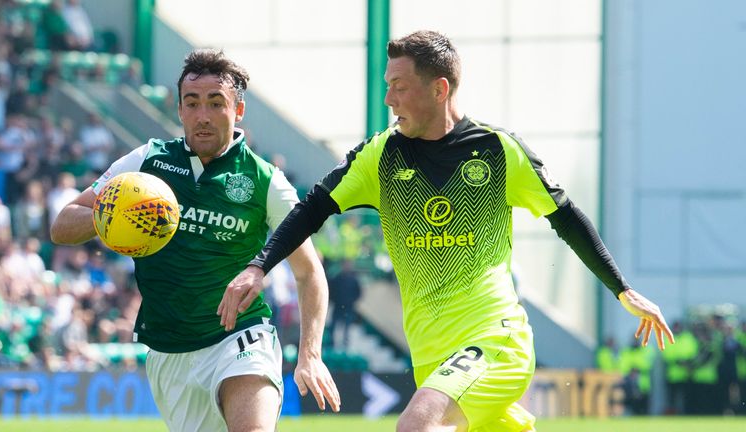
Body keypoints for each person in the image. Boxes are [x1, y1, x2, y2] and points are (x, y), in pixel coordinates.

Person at [221, 30, 674, 431]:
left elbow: (566, 217)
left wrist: (622, 289)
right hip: (432, 357)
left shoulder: (499, 151)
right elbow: (312, 209)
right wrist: (259, 266)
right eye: (387, 87)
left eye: (399, 87)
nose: (388, 100)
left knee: (416, 424)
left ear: (439, 89)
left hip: (495, 338)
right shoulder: (380, 157)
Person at [50, 49, 340, 431]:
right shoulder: (146, 162)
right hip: (169, 349)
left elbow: (309, 272)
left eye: (216, 103)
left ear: (238, 111)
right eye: (193, 103)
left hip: (241, 335)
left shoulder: (265, 180)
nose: (203, 115)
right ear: (180, 110)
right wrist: (111, 218)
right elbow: (62, 225)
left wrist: (310, 354)